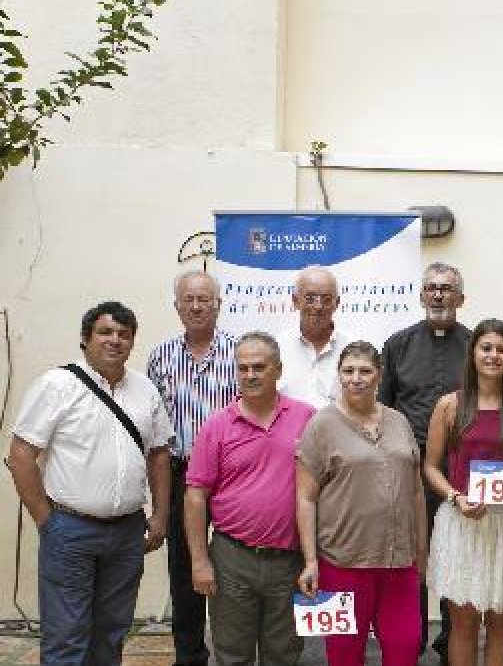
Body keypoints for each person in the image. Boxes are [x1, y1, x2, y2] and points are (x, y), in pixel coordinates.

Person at [7, 301, 172, 666]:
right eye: (105, 332)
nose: (115, 340)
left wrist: (160, 516)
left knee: (112, 634)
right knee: (66, 638)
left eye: (124, 334)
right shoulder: (56, 385)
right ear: (86, 339)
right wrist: (46, 520)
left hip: (128, 533)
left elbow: (159, 455)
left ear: (132, 342)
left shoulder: (144, 390)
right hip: (70, 531)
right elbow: (20, 456)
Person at [184, 332, 317, 665]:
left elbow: (326, 485)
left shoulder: (307, 418)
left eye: (259, 367)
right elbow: (195, 496)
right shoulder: (216, 426)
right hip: (232, 559)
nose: (250, 375)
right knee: (231, 654)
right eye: (242, 368)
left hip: (290, 560)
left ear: (278, 370)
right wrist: (200, 561)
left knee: (285, 653)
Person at [296, 341, 427, 666]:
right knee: (344, 656)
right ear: (339, 375)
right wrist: (311, 561)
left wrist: (421, 552)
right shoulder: (321, 425)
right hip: (342, 563)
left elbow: (415, 492)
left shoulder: (399, 422)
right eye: (348, 371)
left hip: (398, 564)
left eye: (365, 371)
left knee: (406, 647)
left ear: (379, 375)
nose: (356, 378)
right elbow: (305, 497)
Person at [424, 319, 503, 666]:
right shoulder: (449, 405)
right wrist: (455, 497)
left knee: (501, 621)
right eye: (486, 348)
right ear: (473, 353)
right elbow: (430, 467)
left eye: (502, 349)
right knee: (464, 622)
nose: (494, 355)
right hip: (462, 520)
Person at [379, 261, 471, 659]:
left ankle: (452, 641)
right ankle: (410, 640)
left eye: (446, 289)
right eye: (431, 288)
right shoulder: (397, 345)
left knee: (455, 557)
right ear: (421, 295)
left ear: (461, 298)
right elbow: (381, 409)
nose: (438, 294)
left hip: (460, 473)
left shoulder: (476, 345)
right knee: (411, 558)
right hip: (409, 471)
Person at [147, 271, 239, 666]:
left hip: (233, 473)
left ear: (219, 304)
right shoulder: (160, 357)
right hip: (182, 473)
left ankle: (235, 649)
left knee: (236, 560)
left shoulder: (240, 353)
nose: (197, 306)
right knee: (185, 564)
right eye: (189, 300)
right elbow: (154, 431)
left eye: (205, 299)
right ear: (178, 306)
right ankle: (189, 654)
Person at [278, 265, 350, 409]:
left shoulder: (353, 348)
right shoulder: (277, 348)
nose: (318, 306)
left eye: (326, 299)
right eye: (310, 298)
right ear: (295, 301)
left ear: (337, 303)